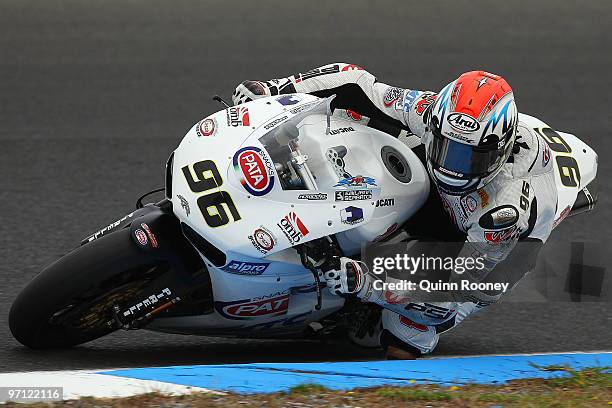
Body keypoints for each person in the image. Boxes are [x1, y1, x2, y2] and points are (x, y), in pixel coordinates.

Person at [232, 63, 558, 359]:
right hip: (452, 201)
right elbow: (358, 84)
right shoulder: (431, 113)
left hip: (485, 261)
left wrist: (365, 284)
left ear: (497, 151)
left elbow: (450, 292)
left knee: (408, 328)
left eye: (467, 158)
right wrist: (274, 89)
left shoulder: (504, 212)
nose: (452, 167)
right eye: (446, 148)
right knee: (351, 120)